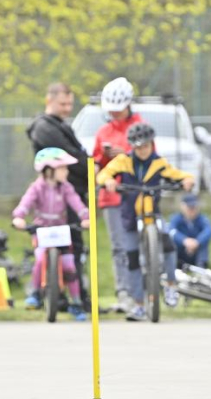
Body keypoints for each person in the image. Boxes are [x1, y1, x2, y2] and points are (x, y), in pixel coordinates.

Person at [96, 123, 195, 322]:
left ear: (152, 145)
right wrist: (109, 182)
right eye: (138, 147)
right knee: (132, 258)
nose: (142, 151)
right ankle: (139, 304)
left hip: (152, 213)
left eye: (146, 146)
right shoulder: (123, 161)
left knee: (168, 244)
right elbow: (103, 174)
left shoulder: (159, 163)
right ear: (132, 146)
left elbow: (178, 174)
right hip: (130, 216)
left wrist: (187, 180)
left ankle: (170, 284)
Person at [26, 82, 90, 309]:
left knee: (74, 251)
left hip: (73, 195)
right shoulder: (45, 127)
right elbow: (70, 155)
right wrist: (89, 167)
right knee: (56, 252)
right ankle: (55, 296)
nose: (67, 108)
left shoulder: (61, 125)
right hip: (56, 202)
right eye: (62, 103)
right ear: (49, 100)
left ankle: (76, 297)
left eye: (70, 104)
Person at [12, 148, 90, 320]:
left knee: (69, 265)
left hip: (61, 230)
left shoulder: (66, 188)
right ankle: (35, 293)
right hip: (42, 231)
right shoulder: (36, 187)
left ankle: (76, 303)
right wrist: (19, 217)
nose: (67, 172)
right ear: (49, 169)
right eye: (63, 168)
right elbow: (25, 203)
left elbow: (77, 203)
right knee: (40, 259)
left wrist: (86, 217)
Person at [92, 77, 144, 312]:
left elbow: (150, 159)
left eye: (118, 110)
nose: (114, 114)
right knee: (119, 246)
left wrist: (126, 153)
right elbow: (95, 163)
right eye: (110, 110)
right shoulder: (103, 131)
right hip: (111, 197)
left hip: (135, 194)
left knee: (137, 244)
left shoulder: (140, 126)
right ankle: (123, 292)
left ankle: (140, 292)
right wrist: (100, 164)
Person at [168, 194, 211, 269]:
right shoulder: (175, 218)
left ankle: (201, 266)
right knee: (172, 243)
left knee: (203, 244)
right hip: (181, 252)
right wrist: (184, 240)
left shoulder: (202, 218)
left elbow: (208, 231)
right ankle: (176, 265)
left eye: (194, 207)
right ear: (182, 206)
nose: (192, 210)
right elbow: (171, 231)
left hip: (197, 252)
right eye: (189, 207)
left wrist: (197, 242)